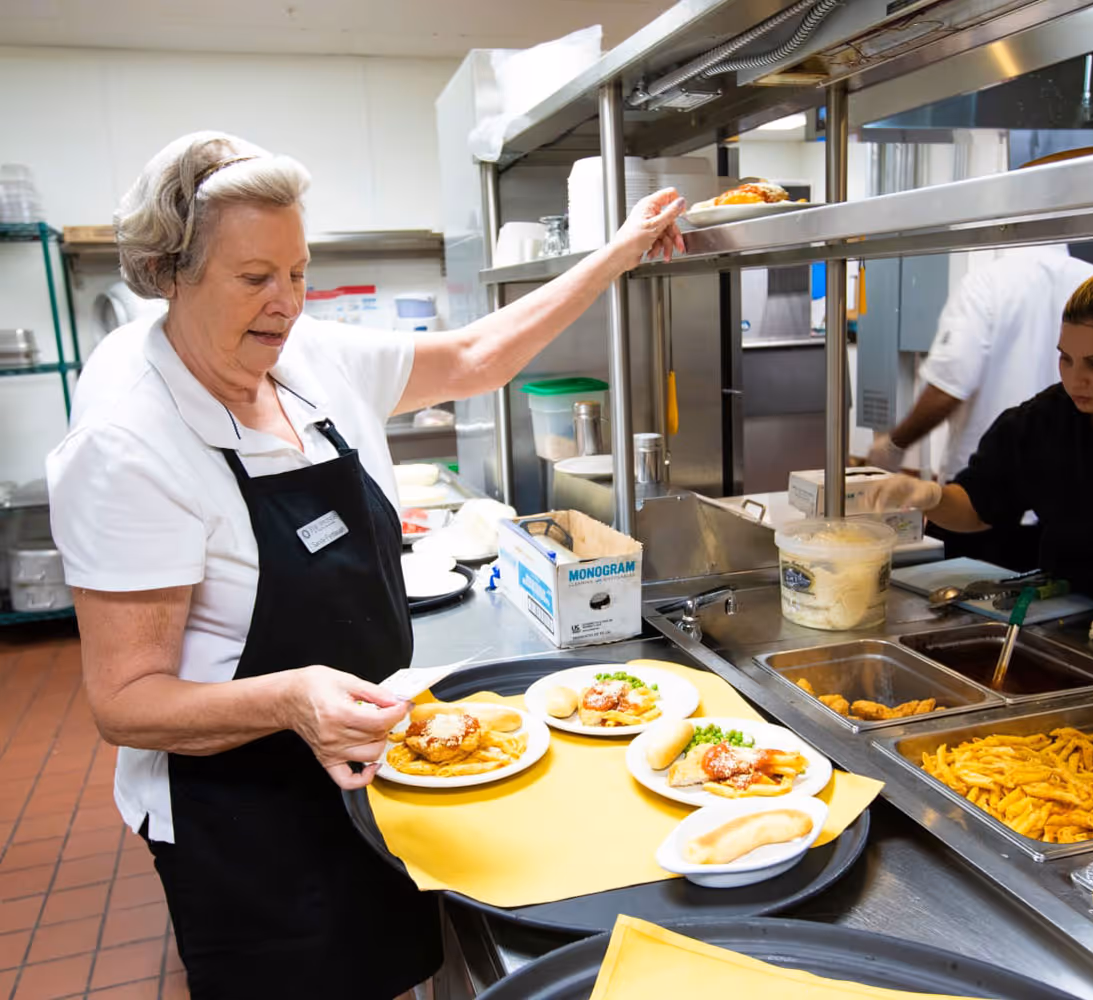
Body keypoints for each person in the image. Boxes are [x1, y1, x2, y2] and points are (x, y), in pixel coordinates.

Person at [46, 131, 686, 1000]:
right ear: (169, 272)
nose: (287, 304)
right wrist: (288, 697)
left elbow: (472, 359)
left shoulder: (307, 358)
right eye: (254, 278)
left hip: (372, 764)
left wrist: (615, 255)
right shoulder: (128, 443)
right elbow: (124, 701)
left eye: (299, 271)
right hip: (242, 814)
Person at [874, 245, 1093, 654]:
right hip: (1080, 625)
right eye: (1066, 359)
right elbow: (979, 505)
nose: (1075, 380)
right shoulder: (1043, 422)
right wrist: (932, 497)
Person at [867, 244, 1093, 567]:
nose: (1077, 379)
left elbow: (949, 386)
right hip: (1061, 508)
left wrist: (895, 444)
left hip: (983, 498)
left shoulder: (989, 282)